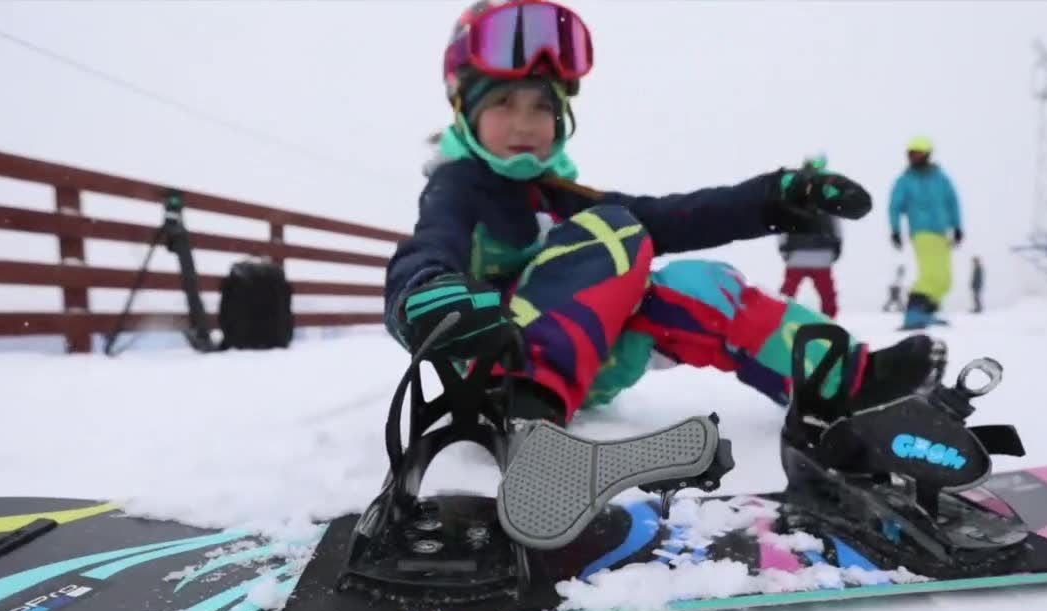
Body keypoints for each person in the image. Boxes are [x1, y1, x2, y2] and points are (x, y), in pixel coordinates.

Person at [386, 0, 945, 434]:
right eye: (503, 105)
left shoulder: (558, 195)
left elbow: (676, 216)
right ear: (463, 111)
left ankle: (845, 382)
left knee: (702, 286)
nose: (525, 124)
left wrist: (775, 196)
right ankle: (522, 401)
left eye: (542, 107)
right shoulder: (459, 185)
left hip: (568, 373)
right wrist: (428, 292)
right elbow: (429, 245)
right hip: (490, 367)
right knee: (615, 227)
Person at [889, 136, 962, 329]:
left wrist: (957, 226)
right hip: (922, 231)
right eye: (911, 154)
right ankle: (914, 312)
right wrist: (895, 229)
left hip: (942, 231)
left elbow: (952, 202)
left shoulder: (941, 178)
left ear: (928, 154)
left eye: (919, 153)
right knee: (930, 275)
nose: (914, 158)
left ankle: (926, 311)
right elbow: (895, 206)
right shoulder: (905, 180)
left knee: (946, 279)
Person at [778, 154, 841, 317]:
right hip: (822, 255)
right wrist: (837, 246)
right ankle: (829, 325)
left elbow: (782, 222)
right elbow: (835, 223)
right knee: (828, 297)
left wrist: (784, 249)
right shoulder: (827, 194)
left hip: (796, 255)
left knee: (786, 295)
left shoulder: (792, 194)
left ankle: (781, 322)